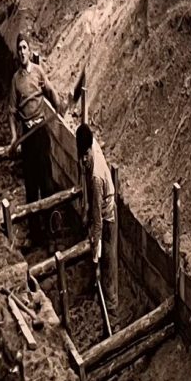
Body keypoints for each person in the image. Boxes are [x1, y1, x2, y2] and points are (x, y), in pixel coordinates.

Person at [12, 33, 60, 204]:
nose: (22, 52)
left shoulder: (38, 72)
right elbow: (11, 112)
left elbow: (50, 91)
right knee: (31, 185)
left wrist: (58, 106)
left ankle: (50, 218)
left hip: (40, 131)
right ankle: (34, 221)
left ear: (30, 51)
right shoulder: (16, 80)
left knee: (46, 181)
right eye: (19, 49)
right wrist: (14, 137)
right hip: (27, 135)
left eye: (24, 48)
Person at [76, 124, 118, 310]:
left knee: (108, 260)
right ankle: (96, 281)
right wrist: (85, 208)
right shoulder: (90, 144)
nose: (84, 159)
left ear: (89, 150)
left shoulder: (96, 179)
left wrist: (95, 246)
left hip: (107, 215)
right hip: (97, 205)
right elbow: (83, 174)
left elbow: (98, 221)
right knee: (99, 253)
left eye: (85, 155)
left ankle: (111, 305)